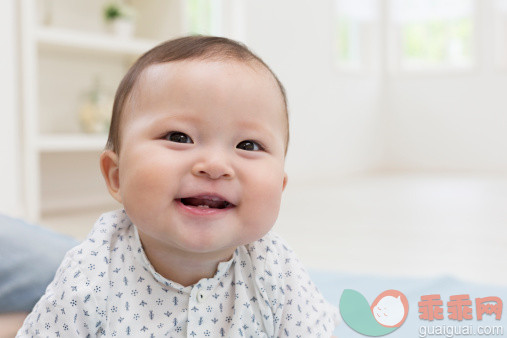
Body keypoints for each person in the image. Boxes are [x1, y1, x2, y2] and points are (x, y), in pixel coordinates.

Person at [17, 35, 339, 337]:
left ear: (280, 186)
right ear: (116, 175)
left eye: (248, 145)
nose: (215, 165)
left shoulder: (275, 268)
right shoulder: (91, 273)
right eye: (179, 137)